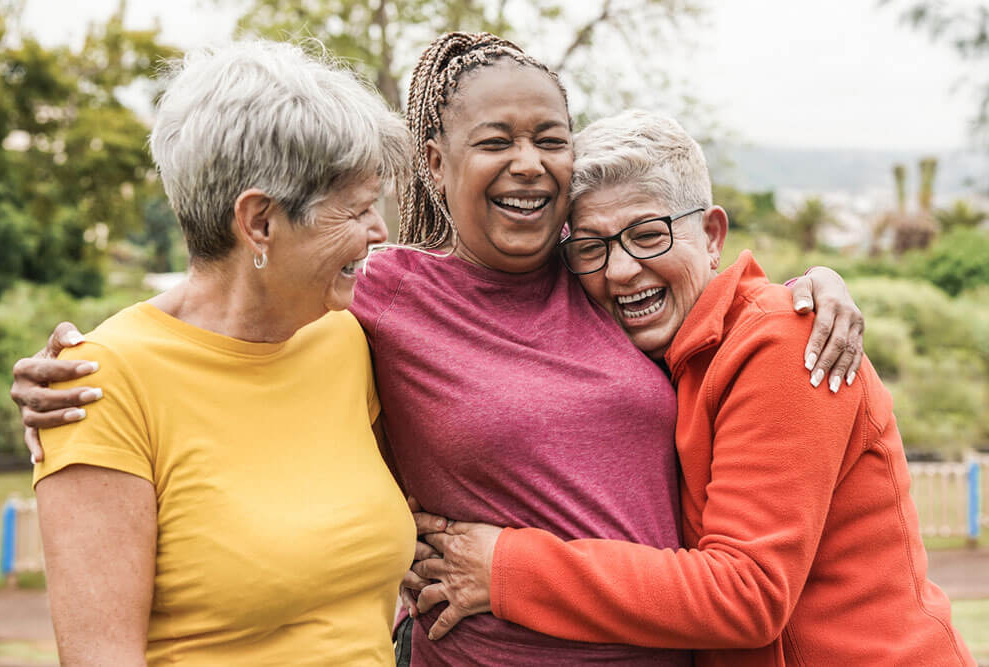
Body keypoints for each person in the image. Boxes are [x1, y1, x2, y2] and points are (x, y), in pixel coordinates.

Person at [13, 33, 866, 666]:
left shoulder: (599, 273)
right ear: (435, 159)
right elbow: (225, 306)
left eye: (550, 139)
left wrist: (813, 286)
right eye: (495, 141)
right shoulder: (376, 296)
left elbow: (693, 280)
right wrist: (82, 363)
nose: (529, 164)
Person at [403, 110, 976, 666]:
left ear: (711, 234)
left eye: (648, 235)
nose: (621, 269)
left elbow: (747, 593)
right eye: (592, 248)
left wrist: (506, 568)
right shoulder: (653, 354)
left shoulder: (783, 343)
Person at [24, 41, 416, 665]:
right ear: (259, 222)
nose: (380, 233)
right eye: (359, 210)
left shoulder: (345, 335)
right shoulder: (101, 386)